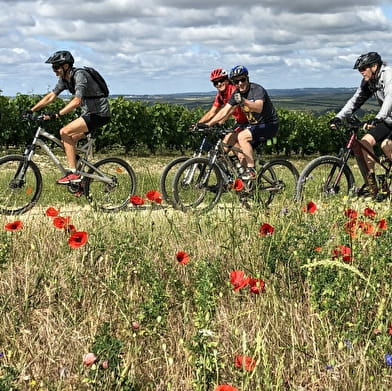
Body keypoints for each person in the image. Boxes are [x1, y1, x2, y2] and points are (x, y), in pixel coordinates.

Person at [27, 50, 111, 184]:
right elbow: (51, 96)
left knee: (64, 132)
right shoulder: (64, 80)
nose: (54, 70)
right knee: (69, 140)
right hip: (89, 113)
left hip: (99, 114)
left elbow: (77, 101)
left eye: (56, 67)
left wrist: (56, 115)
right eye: (52, 67)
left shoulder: (80, 75)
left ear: (66, 66)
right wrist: (31, 110)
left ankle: (74, 173)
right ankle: (81, 182)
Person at [330, 51, 392, 199]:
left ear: (374, 66)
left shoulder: (388, 74)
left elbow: (390, 97)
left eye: (363, 69)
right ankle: (373, 185)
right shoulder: (369, 82)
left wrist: (378, 117)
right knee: (365, 142)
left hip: (386, 116)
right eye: (359, 70)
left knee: (386, 146)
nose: (361, 72)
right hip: (389, 120)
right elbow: (355, 100)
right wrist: (338, 117)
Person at [206, 65, 279, 180]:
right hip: (254, 126)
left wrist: (243, 101)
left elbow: (258, 107)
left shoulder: (257, 90)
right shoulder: (236, 94)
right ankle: (245, 182)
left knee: (242, 137)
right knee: (230, 140)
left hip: (269, 124)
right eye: (236, 81)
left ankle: (251, 170)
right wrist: (208, 124)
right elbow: (224, 111)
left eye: (242, 79)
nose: (240, 83)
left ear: (247, 78)